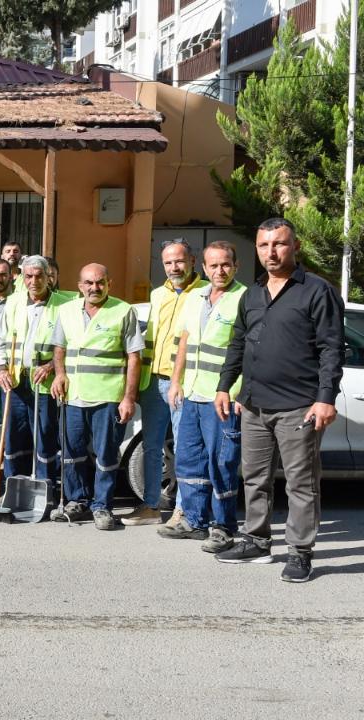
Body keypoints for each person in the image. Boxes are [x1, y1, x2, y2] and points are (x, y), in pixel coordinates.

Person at [214, 218, 344, 582]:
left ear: (295, 246)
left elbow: (331, 349)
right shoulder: (251, 295)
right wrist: (225, 386)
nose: (271, 252)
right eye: (263, 245)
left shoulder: (317, 291)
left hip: (298, 406)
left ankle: (301, 552)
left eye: (279, 244)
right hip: (253, 405)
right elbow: (237, 343)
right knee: (254, 478)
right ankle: (256, 540)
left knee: (301, 483)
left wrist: (325, 398)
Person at [162, 241, 246, 553]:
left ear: (235, 266)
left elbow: (250, 351)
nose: (219, 270)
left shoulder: (245, 298)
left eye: (225, 264)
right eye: (213, 265)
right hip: (193, 393)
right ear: (204, 268)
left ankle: (222, 527)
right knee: (189, 459)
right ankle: (194, 520)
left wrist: (238, 392)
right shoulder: (195, 296)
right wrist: (175, 381)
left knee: (222, 462)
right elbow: (184, 340)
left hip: (222, 398)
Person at [49, 263, 142, 531]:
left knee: (106, 455)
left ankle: (102, 506)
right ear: (80, 286)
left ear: (109, 284)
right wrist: (59, 374)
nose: (94, 288)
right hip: (73, 395)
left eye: (100, 282)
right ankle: (76, 501)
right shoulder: (66, 311)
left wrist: (128, 397)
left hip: (108, 396)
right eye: (88, 283)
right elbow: (59, 348)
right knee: (71, 452)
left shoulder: (123, 311)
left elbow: (134, 357)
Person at [129, 239, 207, 526]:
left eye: (179, 261)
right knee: (152, 446)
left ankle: (183, 509)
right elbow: (150, 338)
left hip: (183, 383)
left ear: (192, 262)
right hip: (153, 382)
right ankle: (150, 506)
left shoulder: (205, 293)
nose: (174, 267)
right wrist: (138, 383)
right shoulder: (158, 294)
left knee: (186, 448)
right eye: (168, 262)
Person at [0, 255, 68, 485]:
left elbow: (71, 344)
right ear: (22, 278)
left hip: (44, 381)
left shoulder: (62, 305)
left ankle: (45, 487)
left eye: (39, 276)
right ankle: (13, 484)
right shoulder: (12, 302)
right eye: (29, 276)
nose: (34, 281)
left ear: (48, 277)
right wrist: (0, 368)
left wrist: (51, 366)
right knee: (13, 435)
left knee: (44, 436)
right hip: (15, 380)